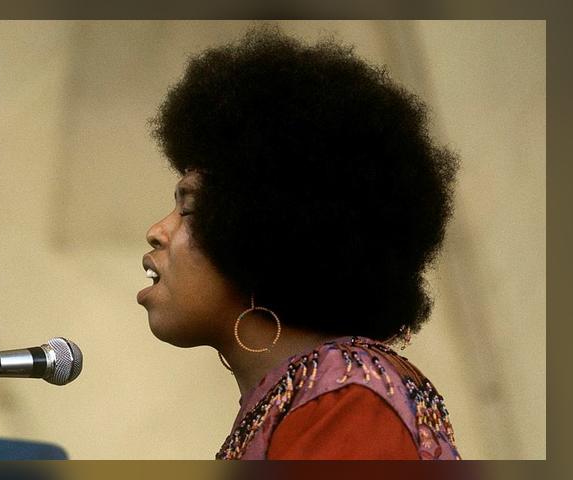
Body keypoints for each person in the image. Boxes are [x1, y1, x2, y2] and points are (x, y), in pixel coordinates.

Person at [137, 26, 461, 460]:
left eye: (188, 209)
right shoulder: (302, 396)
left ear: (259, 231)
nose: (158, 230)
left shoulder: (346, 398)